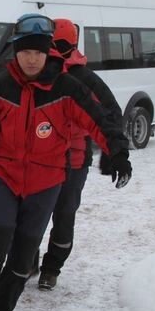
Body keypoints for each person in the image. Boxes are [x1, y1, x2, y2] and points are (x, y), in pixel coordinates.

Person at [0, 14, 132, 311]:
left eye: (39, 51)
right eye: (26, 51)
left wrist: (118, 152)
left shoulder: (66, 88)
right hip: (5, 177)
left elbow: (99, 119)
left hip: (46, 180)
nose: (32, 58)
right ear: (15, 51)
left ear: (48, 52)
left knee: (24, 252)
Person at [36, 18, 123, 291]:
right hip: (40, 160)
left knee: (63, 215)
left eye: (57, 45)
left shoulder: (84, 79)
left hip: (73, 161)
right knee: (32, 215)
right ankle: (26, 261)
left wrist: (112, 152)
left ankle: (51, 268)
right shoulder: (35, 73)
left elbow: (111, 115)